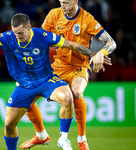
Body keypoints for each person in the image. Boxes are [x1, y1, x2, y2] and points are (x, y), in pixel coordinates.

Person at [0, 13, 108, 150]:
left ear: (29, 27)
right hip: (24, 85)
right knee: (9, 125)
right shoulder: (8, 37)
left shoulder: (42, 35)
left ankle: (63, 139)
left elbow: (71, 45)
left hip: (47, 80)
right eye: (15, 33)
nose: (18, 36)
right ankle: (35, 138)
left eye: (20, 33)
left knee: (68, 97)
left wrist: (94, 55)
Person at [20, 0, 117, 150]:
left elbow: (111, 42)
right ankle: (41, 136)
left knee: (77, 92)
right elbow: (40, 37)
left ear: (76, 1)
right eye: (61, 2)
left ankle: (81, 140)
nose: (63, 6)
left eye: (66, 2)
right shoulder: (54, 14)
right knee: (26, 97)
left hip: (79, 66)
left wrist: (100, 54)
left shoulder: (87, 19)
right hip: (58, 66)